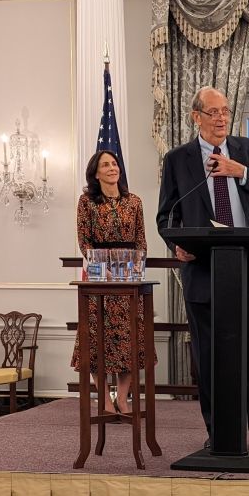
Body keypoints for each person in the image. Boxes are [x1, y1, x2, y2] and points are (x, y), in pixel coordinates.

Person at [156, 87, 249, 452]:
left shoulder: (247, 151)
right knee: (209, 357)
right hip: (204, 271)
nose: (221, 118)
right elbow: (167, 215)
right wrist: (175, 243)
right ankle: (219, 431)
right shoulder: (178, 159)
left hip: (248, 269)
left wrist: (241, 172)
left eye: (225, 111)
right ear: (196, 116)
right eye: (212, 112)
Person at [71, 150, 151, 416]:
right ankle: (104, 399)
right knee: (96, 341)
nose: (111, 168)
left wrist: (136, 266)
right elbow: (84, 242)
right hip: (99, 281)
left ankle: (124, 399)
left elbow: (141, 240)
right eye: (105, 165)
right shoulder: (86, 202)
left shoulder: (134, 201)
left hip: (128, 280)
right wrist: (103, 268)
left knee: (130, 342)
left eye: (114, 164)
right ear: (95, 172)